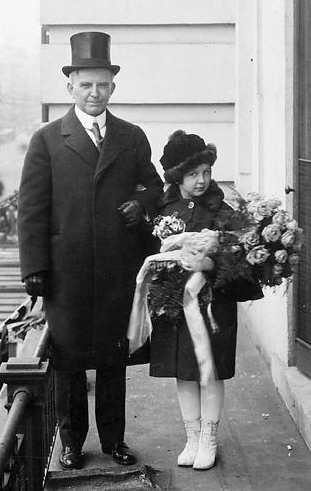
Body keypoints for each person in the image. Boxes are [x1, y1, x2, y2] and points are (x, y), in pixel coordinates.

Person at [17, 31, 163, 470]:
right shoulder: (47, 140)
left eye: (102, 84)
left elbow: (154, 185)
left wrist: (141, 202)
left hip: (120, 266)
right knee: (69, 360)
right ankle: (72, 443)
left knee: (114, 356)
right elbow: (32, 210)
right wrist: (35, 270)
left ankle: (115, 440)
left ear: (113, 87)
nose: (94, 93)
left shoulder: (131, 136)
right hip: (68, 270)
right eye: (85, 85)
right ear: (70, 88)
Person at [130, 130, 262, 470]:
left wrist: (209, 263)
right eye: (192, 174)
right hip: (174, 306)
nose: (202, 180)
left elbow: (241, 259)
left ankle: (209, 437)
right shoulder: (164, 209)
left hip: (212, 306)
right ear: (177, 177)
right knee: (184, 373)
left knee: (210, 371)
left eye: (206, 172)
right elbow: (150, 251)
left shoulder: (224, 211)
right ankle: (191, 436)